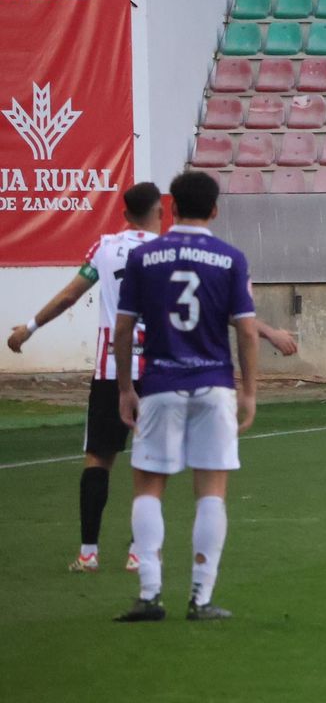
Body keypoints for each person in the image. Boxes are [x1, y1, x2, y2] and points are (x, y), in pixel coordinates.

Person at [112, 172, 258, 622]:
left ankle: (150, 594)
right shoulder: (231, 258)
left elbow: (123, 328)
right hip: (214, 384)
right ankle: (200, 598)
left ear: (171, 207)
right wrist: (250, 391)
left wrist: (125, 388)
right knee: (211, 491)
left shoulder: (143, 257)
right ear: (214, 210)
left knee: (148, 488)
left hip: (160, 383)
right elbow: (247, 331)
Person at [7, 184, 160, 573]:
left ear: (125, 214)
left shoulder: (104, 248)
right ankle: (139, 552)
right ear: (158, 212)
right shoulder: (166, 251)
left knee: (98, 458)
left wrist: (29, 328)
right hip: (156, 369)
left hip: (111, 369)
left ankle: (88, 553)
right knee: (150, 461)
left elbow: (69, 296)